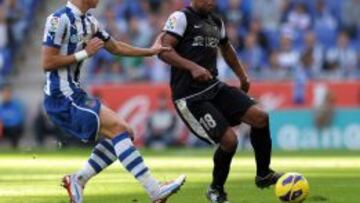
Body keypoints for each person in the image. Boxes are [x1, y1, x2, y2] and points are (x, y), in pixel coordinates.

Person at [41, 1, 185, 203]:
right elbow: (47, 62)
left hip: (75, 94)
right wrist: (85, 53)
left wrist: (150, 51)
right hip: (61, 97)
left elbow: (116, 47)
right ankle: (154, 190)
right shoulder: (58, 19)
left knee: (125, 132)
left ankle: (78, 180)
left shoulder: (90, 22)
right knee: (119, 129)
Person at [159, 0, 282, 202]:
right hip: (189, 97)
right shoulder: (180, 17)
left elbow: (227, 49)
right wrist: (192, 67)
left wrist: (243, 76)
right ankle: (216, 189)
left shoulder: (216, 21)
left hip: (213, 86)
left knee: (260, 117)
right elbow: (163, 50)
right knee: (230, 140)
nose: (211, 1)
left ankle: (263, 174)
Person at [0, 83, 25, 149]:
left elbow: (18, 119)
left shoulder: (17, 105)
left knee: (14, 129)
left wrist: (5, 121)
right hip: (2, 128)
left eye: (8, 92)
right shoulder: (1, 106)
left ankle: (14, 149)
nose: (7, 94)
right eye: (5, 92)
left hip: (13, 128)